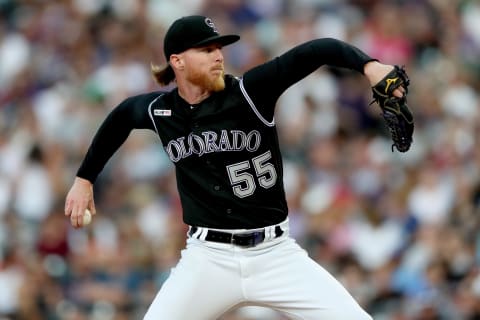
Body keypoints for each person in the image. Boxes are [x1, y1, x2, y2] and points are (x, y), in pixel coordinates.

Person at [65, 15, 407, 320]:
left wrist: (369, 65)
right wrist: (85, 178)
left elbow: (315, 51)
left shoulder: (250, 92)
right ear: (177, 61)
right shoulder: (162, 111)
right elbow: (121, 116)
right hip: (208, 259)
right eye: (206, 49)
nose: (218, 56)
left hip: (275, 254)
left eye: (219, 48)